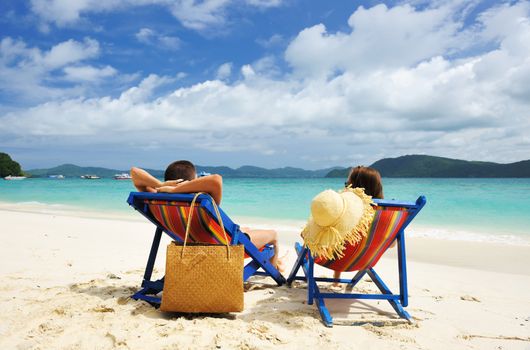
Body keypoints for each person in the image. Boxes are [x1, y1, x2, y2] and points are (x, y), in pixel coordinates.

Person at [130, 160, 285, 272]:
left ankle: (276, 262)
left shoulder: (157, 200)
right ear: (194, 180)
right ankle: (275, 268)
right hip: (224, 248)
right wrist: (173, 189)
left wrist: (162, 186)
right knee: (274, 236)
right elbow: (216, 179)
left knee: (246, 229)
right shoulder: (201, 199)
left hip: (190, 242)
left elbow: (134, 173)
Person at [333, 165, 384, 285]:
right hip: (366, 260)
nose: (345, 187)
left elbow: (337, 240)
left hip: (337, 259)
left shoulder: (345, 209)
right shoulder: (385, 212)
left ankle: (335, 281)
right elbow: (391, 245)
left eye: (347, 184)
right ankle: (336, 281)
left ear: (353, 187)